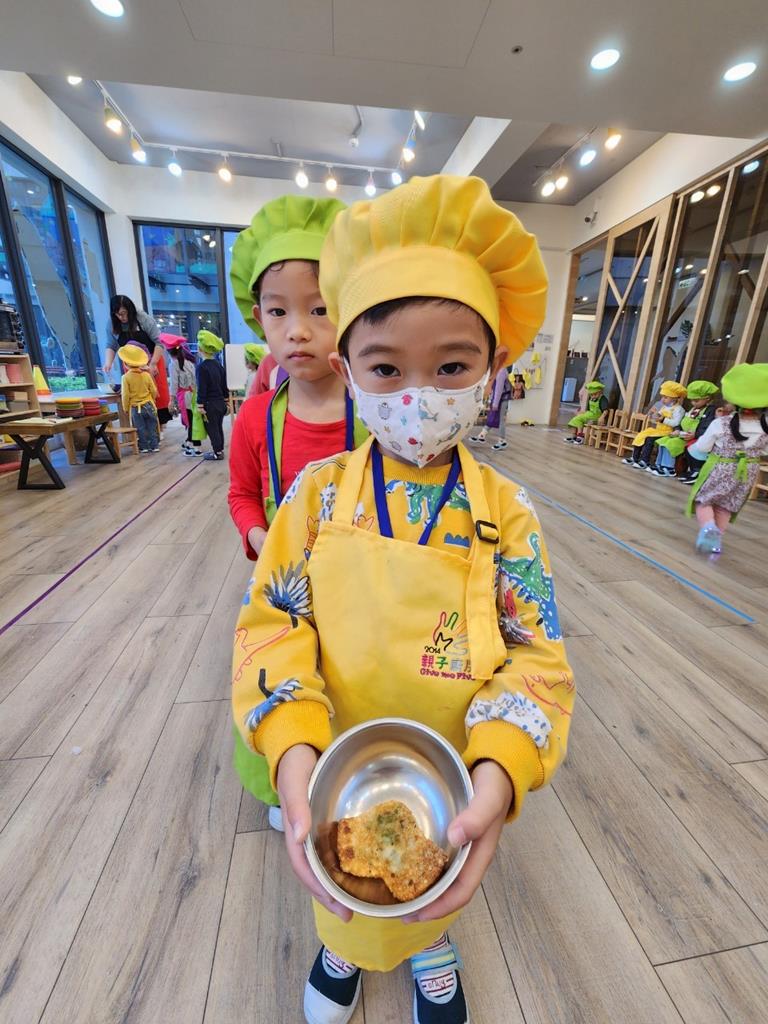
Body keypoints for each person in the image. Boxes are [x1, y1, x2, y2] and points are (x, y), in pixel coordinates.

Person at [232, 175, 574, 1024]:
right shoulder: (314, 497)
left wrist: (500, 770)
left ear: (496, 368)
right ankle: (342, 947)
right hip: (337, 766)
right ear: (347, 370)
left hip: (447, 778)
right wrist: (291, 752)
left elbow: (536, 656)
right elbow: (274, 626)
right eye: (386, 368)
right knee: (342, 885)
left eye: (451, 366)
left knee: (432, 883)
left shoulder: (507, 512)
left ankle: (431, 945)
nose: (418, 397)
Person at [227, 194, 367, 832]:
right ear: (259, 317)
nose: (298, 330)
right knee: (276, 676)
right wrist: (263, 536)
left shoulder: (372, 415)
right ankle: (280, 781)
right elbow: (241, 494)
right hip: (282, 588)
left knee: (347, 682)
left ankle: (347, 772)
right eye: (279, 311)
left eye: (319, 309)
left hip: (358, 582)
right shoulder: (255, 418)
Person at [686, 363, 768, 557]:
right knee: (726, 506)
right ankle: (716, 540)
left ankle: (709, 527)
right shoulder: (765, 426)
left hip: (722, 467)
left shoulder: (721, 423)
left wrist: (693, 449)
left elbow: (703, 447)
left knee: (704, 501)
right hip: (748, 472)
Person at [652, 379, 718, 478]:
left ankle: (669, 468)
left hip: (696, 439)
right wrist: (677, 429)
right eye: (691, 400)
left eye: (696, 401)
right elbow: (683, 421)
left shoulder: (710, 411)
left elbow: (707, 427)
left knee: (671, 444)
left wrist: (695, 434)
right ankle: (660, 465)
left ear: (707, 398)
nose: (693, 403)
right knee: (663, 441)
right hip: (683, 435)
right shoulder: (694, 409)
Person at [622, 380, 687, 469]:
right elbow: (657, 418)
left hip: (668, 432)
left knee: (649, 439)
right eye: (662, 397)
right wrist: (654, 414)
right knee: (641, 435)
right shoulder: (664, 407)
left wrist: (662, 419)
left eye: (665, 397)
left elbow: (676, 423)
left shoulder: (679, 409)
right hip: (658, 430)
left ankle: (644, 461)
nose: (662, 399)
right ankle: (634, 457)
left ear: (674, 398)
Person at [104, 295, 161, 378]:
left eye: (123, 313)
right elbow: (111, 345)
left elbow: (159, 342)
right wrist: (108, 363)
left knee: (155, 386)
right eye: (117, 314)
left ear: (129, 310)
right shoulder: (112, 322)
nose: (120, 317)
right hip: (130, 366)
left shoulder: (142, 318)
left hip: (152, 361)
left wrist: (153, 363)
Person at [164, 333, 201, 456]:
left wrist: (171, 399)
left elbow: (174, 384)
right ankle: (189, 441)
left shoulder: (173, 364)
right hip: (193, 394)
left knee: (189, 421)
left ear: (169, 353)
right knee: (193, 419)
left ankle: (194, 446)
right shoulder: (189, 363)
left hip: (184, 396)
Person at [118, 343, 159, 453]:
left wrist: (125, 408)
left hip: (135, 407)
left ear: (125, 364)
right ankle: (155, 445)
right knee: (152, 426)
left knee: (140, 428)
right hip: (149, 404)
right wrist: (153, 400)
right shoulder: (146, 375)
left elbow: (125, 395)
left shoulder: (125, 377)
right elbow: (154, 390)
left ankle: (144, 447)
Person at [196, 330, 228, 461]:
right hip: (220, 403)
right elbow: (224, 385)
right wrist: (226, 401)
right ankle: (220, 449)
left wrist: (200, 405)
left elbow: (202, 388)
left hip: (210, 404)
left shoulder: (202, 367)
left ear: (200, 349)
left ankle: (217, 452)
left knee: (212, 428)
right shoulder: (219, 366)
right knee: (218, 427)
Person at [469, 366, 513, 449]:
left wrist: (495, 403)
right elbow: (494, 388)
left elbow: (499, 388)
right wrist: (491, 400)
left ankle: (502, 441)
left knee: (501, 419)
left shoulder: (501, 371)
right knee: (492, 416)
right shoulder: (496, 370)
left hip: (502, 398)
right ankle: (482, 435)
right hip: (498, 398)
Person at [564, 380, 608, 444]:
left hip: (596, 417)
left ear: (600, 392)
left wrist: (602, 417)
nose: (593, 396)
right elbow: (588, 410)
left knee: (578, 419)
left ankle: (580, 437)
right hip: (589, 415)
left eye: (595, 394)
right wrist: (581, 413)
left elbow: (605, 410)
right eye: (591, 395)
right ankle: (574, 436)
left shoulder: (602, 399)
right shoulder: (591, 399)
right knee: (574, 419)